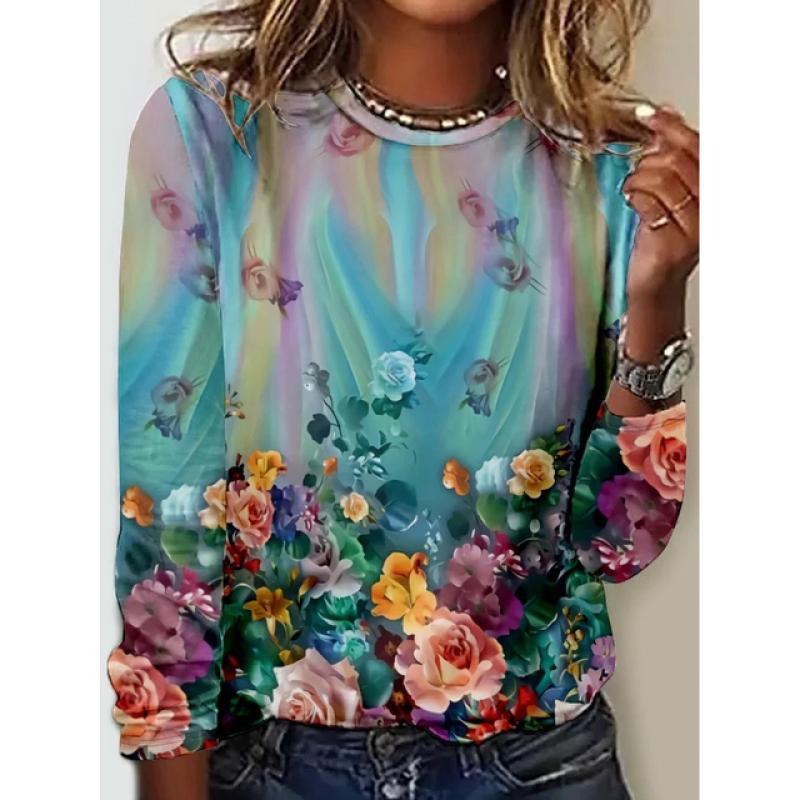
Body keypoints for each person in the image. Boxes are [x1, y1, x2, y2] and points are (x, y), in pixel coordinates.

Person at [108, 1, 698, 798]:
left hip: (542, 764)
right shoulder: (214, 131)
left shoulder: (614, 165)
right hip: (273, 765)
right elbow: (166, 516)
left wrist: (659, 296)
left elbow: (618, 547)